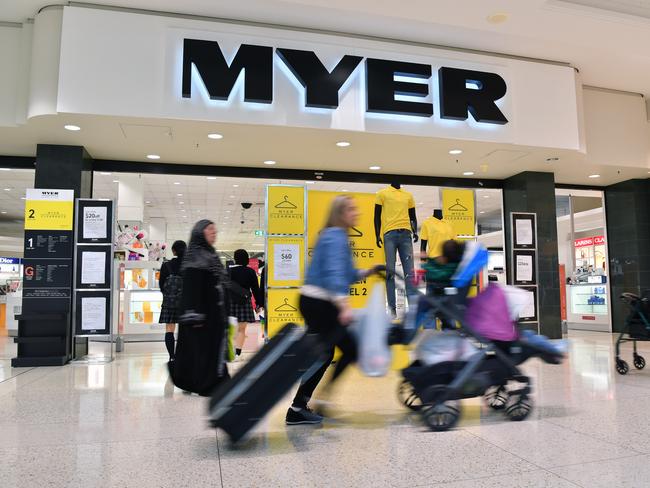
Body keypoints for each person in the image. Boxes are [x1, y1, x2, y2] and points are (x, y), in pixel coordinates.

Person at [287, 195, 383, 425]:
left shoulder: (337, 236)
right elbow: (333, 275)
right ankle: (308, 405)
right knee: (349, 349)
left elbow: (346, 274)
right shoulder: (335, 236)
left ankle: (302, 406)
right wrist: (344, 305)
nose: (356, 213)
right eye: (351, 209)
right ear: (340, 213)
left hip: (316, 302)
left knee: (327, 352)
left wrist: (369, 271)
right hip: (319, 303)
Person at [169, 220, 230, 396]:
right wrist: (193, 313)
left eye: (215, 229)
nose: (214, 232)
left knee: (209, 349)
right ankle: (206, 384)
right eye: (209, 229)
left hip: (214, 313)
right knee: (202, 350)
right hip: (201, 314)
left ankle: (211, 382)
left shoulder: (210, 255)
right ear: (199, 233)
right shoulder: (195, 256)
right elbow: (191, 286)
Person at [374, 183, 418, 319]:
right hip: (389, 236)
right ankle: (392, 309)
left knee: (410, 274)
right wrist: (377, 235)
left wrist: (415, 231)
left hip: (406, 235)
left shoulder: (408, 195)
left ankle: (412, 309)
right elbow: (377, 216)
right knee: (390, 273)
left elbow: (413, 216)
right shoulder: (382, 193)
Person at [229, 249, 263, 360]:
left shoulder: (227, 271)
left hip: (229, 302)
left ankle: (229, 351)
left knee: (230, 329)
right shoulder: (250, 271)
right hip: (244, 302)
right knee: (241, 330)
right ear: (246, 258)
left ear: (235, 258)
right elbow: (255, 289)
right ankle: (237, 353)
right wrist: (259, 304)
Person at [159, 240, 187, 361]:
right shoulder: (189, 265)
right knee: (185, 329)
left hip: (169, 302)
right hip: (185, 302)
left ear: (173, 251)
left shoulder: (166, 265)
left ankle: (172, 356)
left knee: (169, 329)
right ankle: (183, 356)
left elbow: (161, 285)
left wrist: (168, 296)